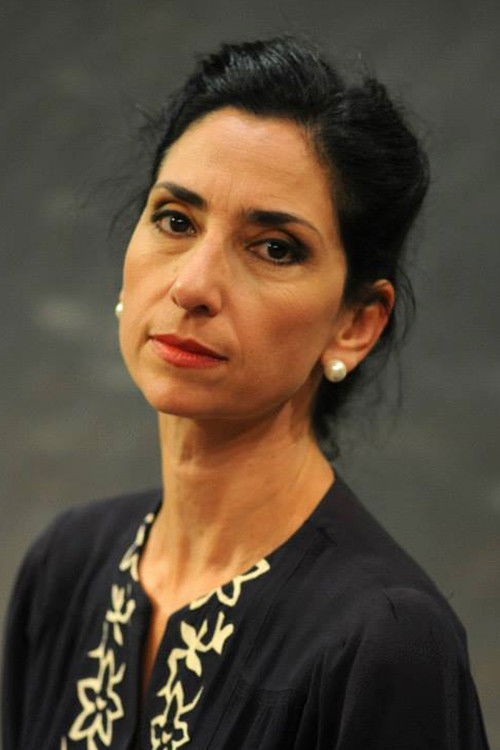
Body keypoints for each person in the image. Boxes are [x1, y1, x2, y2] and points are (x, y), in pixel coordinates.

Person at [2, 36, 490, 750]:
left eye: (273, 248)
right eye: (176, 220)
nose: (193, 286)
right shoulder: (67, 567)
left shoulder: (384, 641)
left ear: (355, 324)